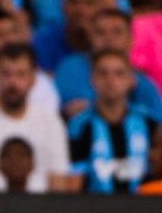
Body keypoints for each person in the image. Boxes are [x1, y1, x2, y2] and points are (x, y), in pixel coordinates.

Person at [0, 43, 75, 193]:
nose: (13, 83)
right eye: (6, 74)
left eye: (21, 74)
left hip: (40, 209)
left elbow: (59, 180)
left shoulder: (50, 121)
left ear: (33, 78)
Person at [69, 48, 162, 193]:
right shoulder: (79, 126)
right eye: (103, 73)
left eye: (119, 73)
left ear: (132, 80)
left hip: (147, 209)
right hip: (94, 211)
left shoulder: (151, 123)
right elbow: (73, 183)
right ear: (92, 79)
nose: (110, 80)